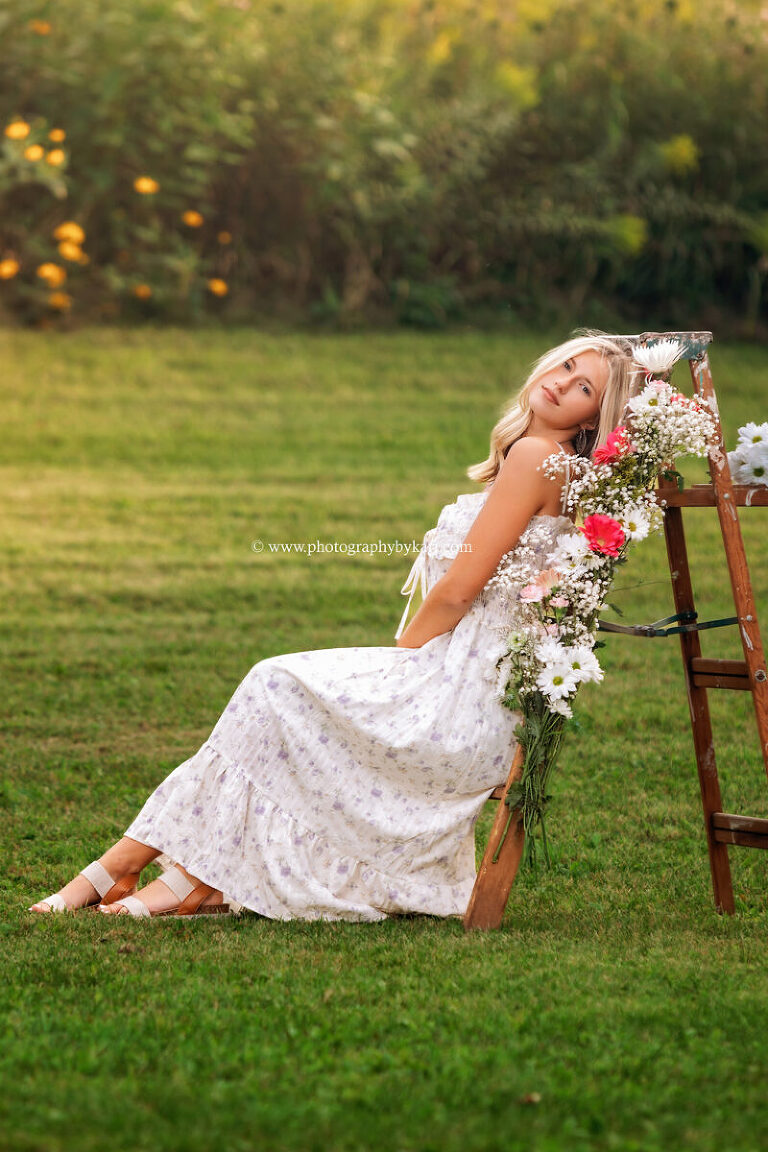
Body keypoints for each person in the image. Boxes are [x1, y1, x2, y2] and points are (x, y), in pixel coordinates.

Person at [30, 331, 634, 920]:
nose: (561, 385)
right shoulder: (543, 460)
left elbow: (456, 592)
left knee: (276, 683)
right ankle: (163, 874)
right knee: (276, 689)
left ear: (591, 420)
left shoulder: (536, 458)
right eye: (564, 368)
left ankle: (129, 871)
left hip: (463, 692)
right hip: (474, 676)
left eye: (583, 388)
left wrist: (402, 658)